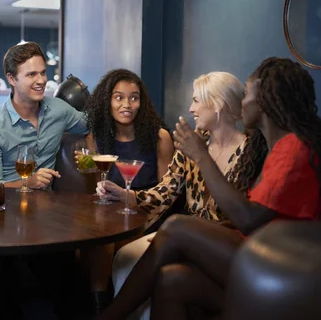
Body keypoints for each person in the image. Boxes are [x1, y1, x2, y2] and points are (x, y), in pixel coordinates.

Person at [97, 57, 321, 320]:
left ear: (265, 101)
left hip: (278, 266)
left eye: (247, 93)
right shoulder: (279, 148)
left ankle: (108, 316)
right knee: (172, 280)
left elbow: (249, 219)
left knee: (178, 227)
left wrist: (201, 157)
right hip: (259, 252)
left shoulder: (292, 149)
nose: (241, 101)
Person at [96, 71, 248, 319]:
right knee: (130, 258)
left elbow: (244, 214)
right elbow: (164, 192)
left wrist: (178, 236)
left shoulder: (249, 152)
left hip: (222, 245)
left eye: (197, 100)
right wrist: (125, 195)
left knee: (158, 257)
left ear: (218, 105)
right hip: (186, 234)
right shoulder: (191, 144)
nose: (191, 108)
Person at [77, 69, 174, 314]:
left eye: (134, 97)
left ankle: (107, 309)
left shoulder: (159, 138)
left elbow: (167, 194)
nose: (127, 104)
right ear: (107, 101)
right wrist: (88, 169)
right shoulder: (97, 139)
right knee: (100, 238)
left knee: (103, 240)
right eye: (118, 97)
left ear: (142, 102)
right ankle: (98, 305)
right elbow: (96, 190)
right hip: (110, 215)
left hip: (148, 215)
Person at [0, 41, 89, 188]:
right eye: (31, 75)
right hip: (8, 207)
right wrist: (27, 183)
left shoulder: (59, 110)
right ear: (11, 79)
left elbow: (93, 124)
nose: (41, 80)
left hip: (50, 205)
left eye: (43, 72)